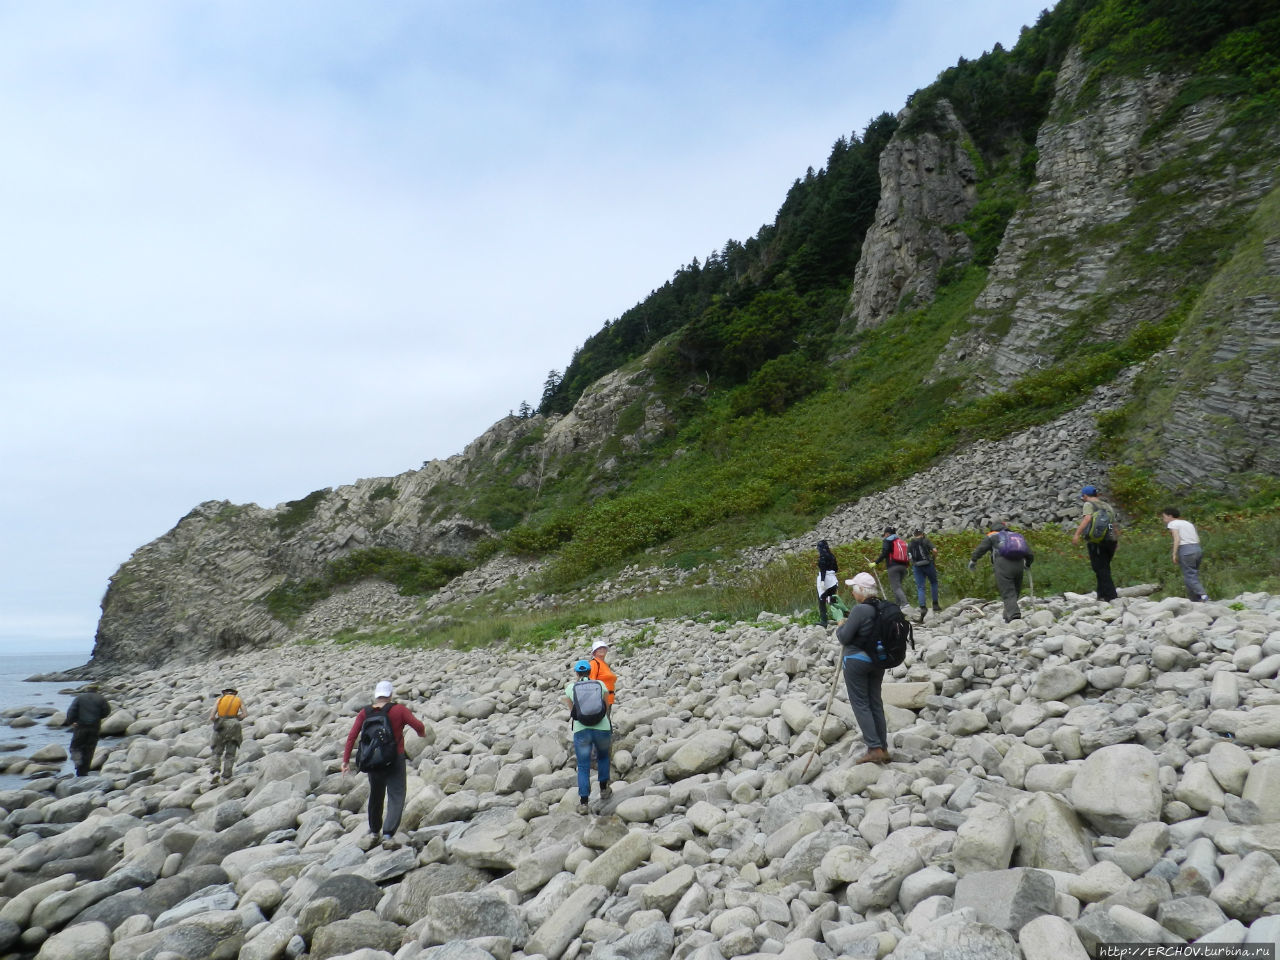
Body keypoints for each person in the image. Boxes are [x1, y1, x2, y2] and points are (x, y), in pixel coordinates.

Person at [342, 681, 425, 848]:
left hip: (373, 760)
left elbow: (352, 736)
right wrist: (422, 733)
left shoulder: (365, 712)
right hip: (395, 758)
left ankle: (374, 832)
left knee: (376, 795)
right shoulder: (399, 710)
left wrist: (345, 761)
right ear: (390, 695)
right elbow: (418, 726)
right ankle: (388, 834)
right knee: (396, 794)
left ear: (376, 695)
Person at [836, 573, 890, 765]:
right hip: (878, 661)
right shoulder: (881, 607)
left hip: (856, 661)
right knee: (875, 702)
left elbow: (844, 637)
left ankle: (874, 748)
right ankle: (883, 747)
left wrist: (840, 625)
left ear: (861, 591)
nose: (852, 591)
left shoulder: (860, 610)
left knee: (860, 704)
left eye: (854, 588)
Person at [563, 660, 612, 810]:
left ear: (577, 673)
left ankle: (584, 803)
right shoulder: (600, 684)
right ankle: (604, 789)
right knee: (603, 757)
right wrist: (606, 721)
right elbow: (606, 706)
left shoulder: (571, 687)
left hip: (581, 730)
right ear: (590, 672)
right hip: (602, 727)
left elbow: (573, 712)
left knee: (583, 765)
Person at [969, 522, 1034, 622]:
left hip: (1003, 564)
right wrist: (1028, 564)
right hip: (1019, 564)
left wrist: (973, 560)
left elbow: (981, 549)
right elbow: (1029, 553)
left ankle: (1014, 615)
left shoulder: (992, 536)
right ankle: (1007, 614)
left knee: (1007, 591)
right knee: (1015, 590)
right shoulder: (1016, 536)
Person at [1073, 485, 1120, 601]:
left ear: (1085, 496)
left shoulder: (1088, 505)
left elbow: (1087, 519)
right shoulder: (1107, 506)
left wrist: (1077, 534)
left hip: (1096, 541)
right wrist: (1116, 540)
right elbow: (1114, 524)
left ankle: (1111, 596)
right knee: (1104, 567)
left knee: (1100, 568)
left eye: (1082, 497)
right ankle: (1102, 595)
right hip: (1111, 540)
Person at [1162, 507, 1210, 602]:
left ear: (1170, 516)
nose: (1164, 520)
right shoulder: (1188, 523)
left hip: (1186, 550)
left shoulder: (1173, 523)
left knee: (1189, 575)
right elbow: (1197, 538)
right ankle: (1194, 600)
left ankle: (1203, 594)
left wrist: (1174, 553)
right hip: (1197, 548)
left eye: (1164, 517)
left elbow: (1177, 539)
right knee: (1192, 574)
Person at [66, 683, 111, 777]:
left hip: (80, 726)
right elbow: (106, 711)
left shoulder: (79, 698)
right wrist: (98, 718)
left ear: (86, 689)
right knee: (89, 749)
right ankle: (84, 771)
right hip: (95, 727)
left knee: (75, 747)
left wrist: (72, 721)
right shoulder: (101, 698)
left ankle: (78, 762)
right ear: (97, 689)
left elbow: (71, 711)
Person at [209, 687, 245, 785]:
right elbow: (244, 714)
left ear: (224, 693)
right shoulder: (238, 700)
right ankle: (226, 777)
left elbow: (212, 716)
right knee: (230, 753)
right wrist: (236, 718)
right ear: (234, 693)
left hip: (221, 725)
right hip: (234, 725)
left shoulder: (219, 700)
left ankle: (215, 771)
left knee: (217, 751)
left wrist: (218, 721)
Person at [874, 527, 911, 609]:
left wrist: (876, 562)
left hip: (893, 567)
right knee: (898, 586)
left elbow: (884, 553)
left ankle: (905, 604)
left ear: (887, 533)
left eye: (884, 534)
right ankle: (898, 605)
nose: (884, 536)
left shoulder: (887, 541)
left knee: (896, 587)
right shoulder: (901, 541)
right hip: (903, 566)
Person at [908, 528, 940, 623]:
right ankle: (935, 604)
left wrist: (913, 563)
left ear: (914, 535)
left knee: (920, 587)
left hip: (917, 566)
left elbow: (909, 557)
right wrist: (933, 559)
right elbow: (935, 550)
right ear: (922, 534)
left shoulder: (910, 544)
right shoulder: (926, 540)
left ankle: (923, 607)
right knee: (933, 583)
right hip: (928, 564)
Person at [816, 540, 840, 626]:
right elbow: (836, 569)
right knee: (832, 599)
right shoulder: (832, 556)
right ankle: (839, 617)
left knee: (822, 600)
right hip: (833, 579)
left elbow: (823, 570)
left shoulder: (822, 557)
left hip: (826, 580)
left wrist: (822, 581)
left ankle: (824, 620)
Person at [588, 640, 617, 711]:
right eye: (599, 648)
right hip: (600, 700)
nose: (602, 650)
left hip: (608, 699)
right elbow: (592, 681)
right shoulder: (594, 663)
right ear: (594, 652)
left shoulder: (604, 664)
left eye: (604, 648)